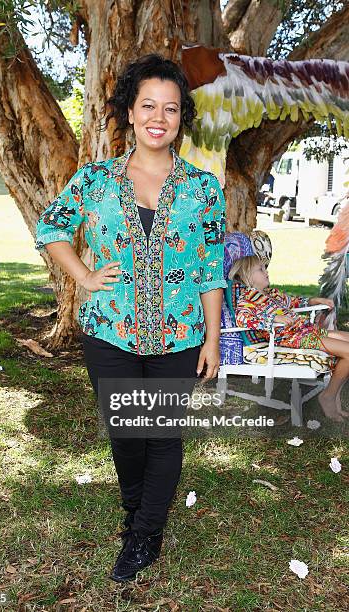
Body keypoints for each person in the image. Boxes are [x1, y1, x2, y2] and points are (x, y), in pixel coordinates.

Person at [35, 53, 227, 582]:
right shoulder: (95, 179)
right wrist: (84, 276)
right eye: (148, 106)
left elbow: (212, 269)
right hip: (109, 333)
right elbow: (51, 226)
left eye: (170, 108)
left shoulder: (202, 188)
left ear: (180, 117)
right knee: (126, 432)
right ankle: (137, 505)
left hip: (180, 333)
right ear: (130, 110)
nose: (158, 117)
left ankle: (144, 534)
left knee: (162, 435)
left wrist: (212, 339)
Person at [229, 255, 349, 423]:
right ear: (246, 275)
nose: (266, 272)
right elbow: (243, 318)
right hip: (293, 339)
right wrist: (272, 319)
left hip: (306, 331)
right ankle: (329, 396)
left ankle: (333, 394)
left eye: (265, 268)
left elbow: (295, 302)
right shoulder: (247, 298)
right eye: (261, 269)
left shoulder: (273, 294)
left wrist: (314, 300)